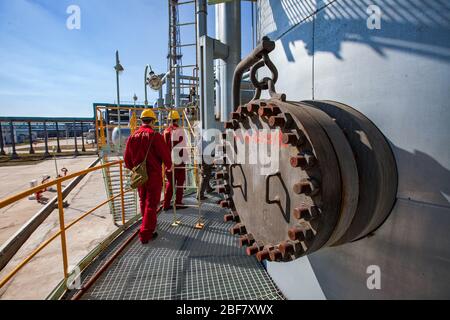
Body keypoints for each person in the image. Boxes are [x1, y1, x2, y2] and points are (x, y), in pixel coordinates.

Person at [124, 109, 172, 244]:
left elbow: (127, 160)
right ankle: (145, 234)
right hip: (154, 175)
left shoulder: (132, 137)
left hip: (140, 175)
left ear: (141, 121)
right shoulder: (155, 136)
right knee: (151, 204)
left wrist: (135, 169)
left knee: (143, 201)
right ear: (152, 121)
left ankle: (149, 226)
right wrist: (169, 165)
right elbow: (164, 153)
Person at [162, 110, 187, 210]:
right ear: (177, 120)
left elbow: (163, 148)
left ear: (169, 120)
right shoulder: (181, 131)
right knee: (180, 183)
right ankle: (178, 202)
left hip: (169, 161)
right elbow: (183, 147)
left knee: (170, 183)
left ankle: (166, 204)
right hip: (179, 161)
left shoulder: (165, 132)